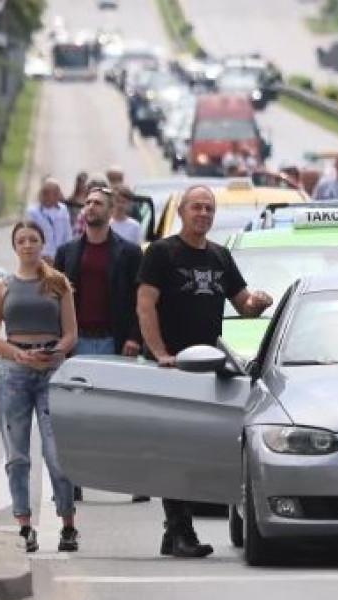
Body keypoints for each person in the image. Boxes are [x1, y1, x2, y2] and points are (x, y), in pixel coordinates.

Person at [137, 186, 275, 559]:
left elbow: (242, 303)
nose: (203, 213)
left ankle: (175, 532)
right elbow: (145, 306)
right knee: (174, 450)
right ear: (182, 211)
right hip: (171, 368)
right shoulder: (162, 254)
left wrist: (257, 303)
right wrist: (161, 353)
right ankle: (180, 531)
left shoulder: (220, 256)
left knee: (196, 450)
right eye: (196, 207)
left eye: (209, 208)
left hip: (208, 368)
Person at [0, 219, 80, 554]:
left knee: (58, 453)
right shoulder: (2, 287)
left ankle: (68, 523)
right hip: (14, 372)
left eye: (33, 240)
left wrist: (55, 351)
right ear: (14, 247)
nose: (28, 245)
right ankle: (24, 524)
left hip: (52, 371)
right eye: (22, 240)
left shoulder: (58, 284)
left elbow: (71, 333)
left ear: (43, 244)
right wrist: (18, 355)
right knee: (17, 454)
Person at [53, 186, 143, 359]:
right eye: (88, 202)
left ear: (110, 211)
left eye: (98, 203)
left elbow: (139, 298)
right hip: (76, 341)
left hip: (114, 341)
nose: (91, 206)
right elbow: (55, 298)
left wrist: (134, 337)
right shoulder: (66, 252)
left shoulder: (130, 253)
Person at [25, 178, 74, 259]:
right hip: (41, 258)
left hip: (59, 257)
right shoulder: (32, 212)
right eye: (45, 192)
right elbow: (30, 235)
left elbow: (68, 235)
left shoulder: (63, 209)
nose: (48, 196)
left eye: (55, 193)